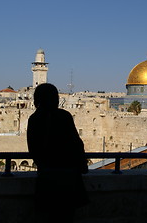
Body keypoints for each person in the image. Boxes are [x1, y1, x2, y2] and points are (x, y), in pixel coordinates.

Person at [27, 83, 89, 222]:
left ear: (37, 99)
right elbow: (76, 143)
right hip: (69, 178)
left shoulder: (34, 119)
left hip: (47, 177)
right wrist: (82, 165)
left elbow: (33, 149)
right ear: (55, 98)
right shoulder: (64, 116)